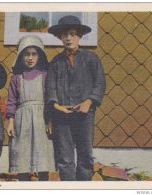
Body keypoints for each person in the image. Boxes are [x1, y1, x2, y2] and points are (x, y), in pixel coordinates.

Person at [46, 15, 106, 181]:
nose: (68, 38)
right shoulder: (56, 62)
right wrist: (56, 106)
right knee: (65, 158)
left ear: (79, 36)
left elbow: (100, 83)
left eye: (72, 34)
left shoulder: (91, 59)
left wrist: (89, 101)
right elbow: (50, 88)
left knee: (85, 155)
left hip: (84, 114)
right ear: (59, 37)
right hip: (61, 116)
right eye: (64, 35)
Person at [6, 35, 55, 181]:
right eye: (26, 54)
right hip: (22, 120)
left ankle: (43, 181)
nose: (30, 58)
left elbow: (50, 99)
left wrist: (50, 121)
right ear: (21, 57)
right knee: (22, 153)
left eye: (34, 54)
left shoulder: (45, 76)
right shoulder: (16, 79)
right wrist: (10, 122)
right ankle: (23, 182)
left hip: (42, 118)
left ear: (39, 57)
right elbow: (11, 101)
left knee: (42, 152)